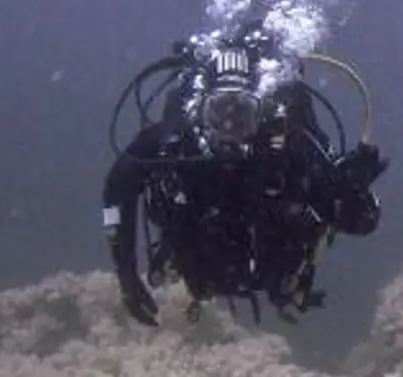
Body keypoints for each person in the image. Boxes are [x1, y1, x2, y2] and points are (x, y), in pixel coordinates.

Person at [103, 23, 386, 325]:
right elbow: (118, 187)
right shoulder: (174, 143)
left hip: (274, 273)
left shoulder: (292, 145)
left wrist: (354, 192)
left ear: (262, 114)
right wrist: (127, 275)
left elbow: (361, 222)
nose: (229, 129)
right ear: (198, 113)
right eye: (218, 114)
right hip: (201, 269)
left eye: (242, 115)